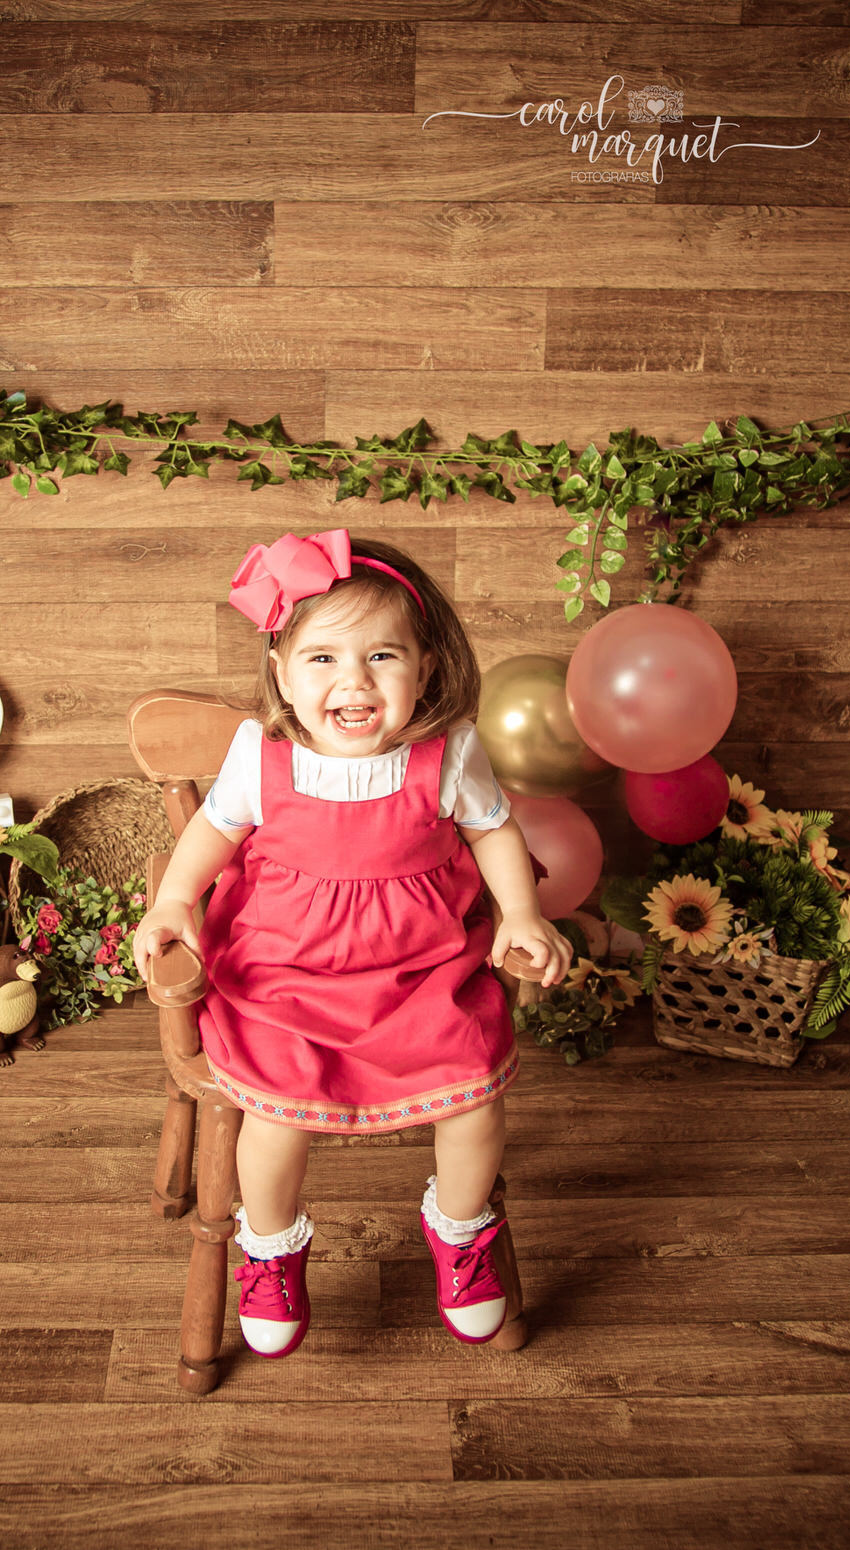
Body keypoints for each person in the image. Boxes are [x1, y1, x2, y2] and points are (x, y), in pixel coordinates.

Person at [134, 528, 572, 1361]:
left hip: (421, 971)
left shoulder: (447, 755)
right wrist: (175, 899)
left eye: (382, 657)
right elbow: (210, 834)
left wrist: (518, 912)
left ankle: (461, 1229)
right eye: (323, 660)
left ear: (426, 668)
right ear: (282, 674)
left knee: (476, 1095)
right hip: (281, 977)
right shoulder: (261, 756)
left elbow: (495, 832)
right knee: (271, 1116)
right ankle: (270, 1249)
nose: (354, 682)